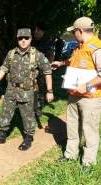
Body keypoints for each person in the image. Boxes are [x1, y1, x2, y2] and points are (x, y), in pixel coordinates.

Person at [0, 28, 54, 150]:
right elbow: (3, 69)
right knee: (5, 112)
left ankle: (28, 138)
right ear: (17, 39)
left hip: (27, 91)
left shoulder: (37, 55)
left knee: (28, 115)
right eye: (20, 38)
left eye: (26, 38)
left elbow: (47, 72)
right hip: (11, 89)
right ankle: (2, 135)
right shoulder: (11, 53)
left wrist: (49, 91)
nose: (23, 40)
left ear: (31, 39)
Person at [52, 17, 101, 166]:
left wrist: (86, 86)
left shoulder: (96, 48)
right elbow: (74, 61)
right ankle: (70, 154)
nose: (73, 34)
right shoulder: (79, 47)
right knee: (72, 126)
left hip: (90, 98)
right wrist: (61, 63)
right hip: (74, 95)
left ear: (80, 31)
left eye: (74, 31)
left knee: (89, 131)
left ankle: (88, 162)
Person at [32, 23, 56, 128]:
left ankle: (38, 109)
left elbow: (51, 56)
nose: (34, 33)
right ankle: (34, 108)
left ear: (39, 30)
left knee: (40, 90)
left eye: (36, 30)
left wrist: (47, 69)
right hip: (32, 70)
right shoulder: (33, 41)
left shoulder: (47, 42)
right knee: (33, 90)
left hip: (42, 71)